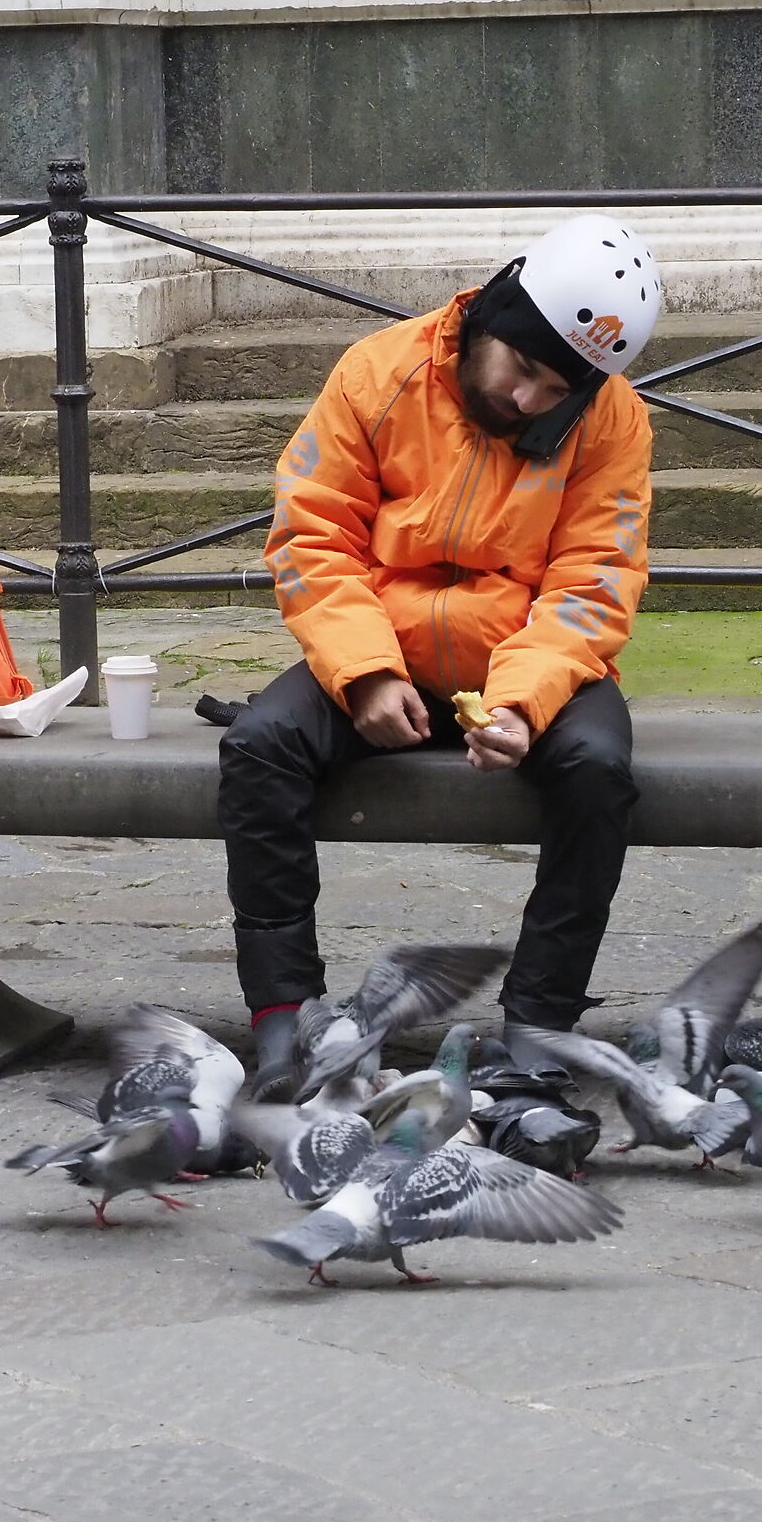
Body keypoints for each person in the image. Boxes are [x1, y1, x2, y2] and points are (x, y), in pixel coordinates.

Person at [219, 214, 664, 1096]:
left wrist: (522, 704)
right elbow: (312, 535)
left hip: (526, 654)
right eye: (524, 372)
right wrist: (367, 671)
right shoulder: (377, 371)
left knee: (597, 770)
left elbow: (592, 581)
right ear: (492, 320)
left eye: (558, 391)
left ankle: (539, 1026)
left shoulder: (613, 421)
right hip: (378, 639)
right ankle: (284, 1019)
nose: (532, 402)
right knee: (258, 747)